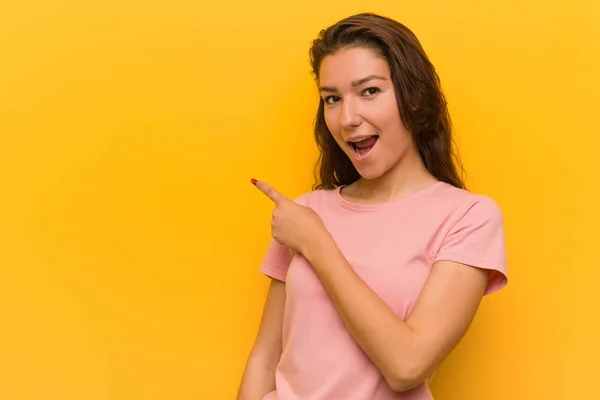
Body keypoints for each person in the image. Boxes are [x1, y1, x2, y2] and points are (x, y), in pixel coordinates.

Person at [237, 12, 508, 400]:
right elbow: (265, 359)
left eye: (369, 91)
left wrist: (316, 243)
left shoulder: (467, 218)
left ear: (413, 98)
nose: (347, 119)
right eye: (332, 98)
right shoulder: (305, 211)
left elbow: (407, 366)